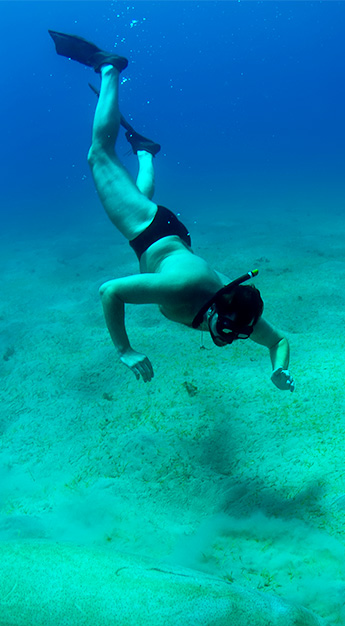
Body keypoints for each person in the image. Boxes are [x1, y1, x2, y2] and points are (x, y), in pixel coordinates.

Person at [49, 31, 295, 392]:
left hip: (171, 238)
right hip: (150, 232)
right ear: (216, 309)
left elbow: (278, 341)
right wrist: (125, 349)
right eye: (228, 330)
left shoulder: (237, 314)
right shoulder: (181, 288)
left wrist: (278, 369)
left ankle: (145, 153)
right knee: (99, 155)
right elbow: (110, 291)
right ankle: (109, 69)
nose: (228, 340)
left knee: (133, 194)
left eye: (237, 335)